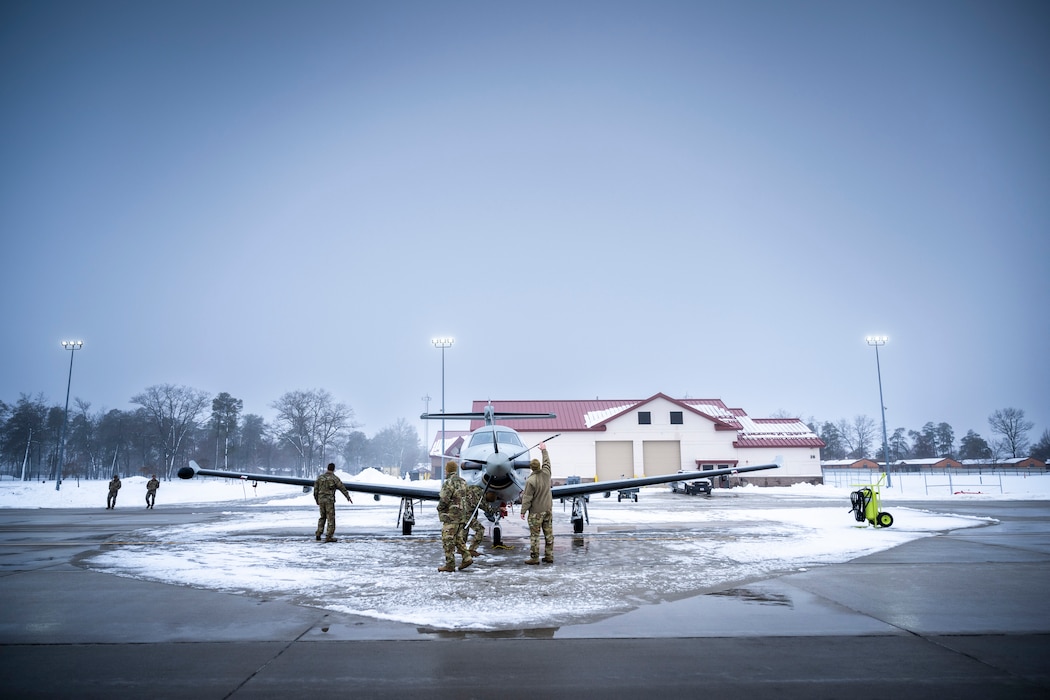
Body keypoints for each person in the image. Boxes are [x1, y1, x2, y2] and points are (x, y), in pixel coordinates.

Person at [520, 442, 554, 564]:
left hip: (536, 513)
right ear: (539, 466)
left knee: (535, 536)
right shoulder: (546, 473)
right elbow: (547, 462)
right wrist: (544, 450)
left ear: (531, 468)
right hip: (548, 509)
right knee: (548, 534)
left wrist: (523, 511)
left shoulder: (530, 480)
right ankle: (549, 556)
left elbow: (527, 497)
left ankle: (534, 558)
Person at [436, 461, 472, 572]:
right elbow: (469, 498)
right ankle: (467, 557)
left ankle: (450, 565)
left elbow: (444, 499)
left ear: (447, 470)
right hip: (462, 516)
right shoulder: (463, 482)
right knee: (458, 539)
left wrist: (440, 508)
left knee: (447, 540)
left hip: (451, 516)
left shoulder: (448, 483)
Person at [313, 463, 352, 542]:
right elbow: (342, 488)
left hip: (321, 500)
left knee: (322, 517)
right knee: (331, 518)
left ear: (327, 468)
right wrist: (348, 497)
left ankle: (318, 533)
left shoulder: (320, 478)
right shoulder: (334, 478)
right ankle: (329, 536)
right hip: (329, 501)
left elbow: (315, 490)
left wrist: (317, 499)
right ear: (333, 469)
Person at [463, 484, 499, 556]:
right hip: (466, 515)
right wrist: (498, 509)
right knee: (480, 530)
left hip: (458, 511)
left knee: (464, 530)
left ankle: (461, 549)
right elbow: (489, 510)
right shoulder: (481, 498)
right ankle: (472, 550)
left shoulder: (475, 487)